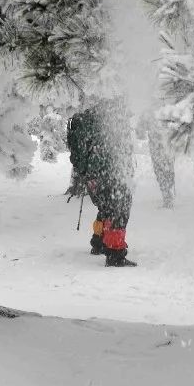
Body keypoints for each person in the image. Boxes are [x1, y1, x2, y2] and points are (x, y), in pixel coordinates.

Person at [67, 96, 137, 268]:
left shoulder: (84, 117)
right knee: (118, 209)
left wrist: (86, 172)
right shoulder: (106, 117)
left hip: (94, 173)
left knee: (106, 207)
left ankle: (99, 242)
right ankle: (114, 253)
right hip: (108, 171)